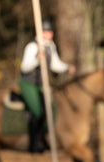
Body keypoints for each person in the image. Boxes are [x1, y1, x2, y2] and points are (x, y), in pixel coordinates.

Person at [19, 19, 75, 153]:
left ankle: (44, 139)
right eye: (47, 31)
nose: (50, 34)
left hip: (41, 85)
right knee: (38, 111)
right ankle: (33, 143)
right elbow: (24, 67)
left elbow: (55, 64)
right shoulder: (32, 46)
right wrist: (37, 58)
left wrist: (67, 68)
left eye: (51, 31)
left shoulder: (51, 46)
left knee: (52, 110)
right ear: (41, 32)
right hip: (29, 84)